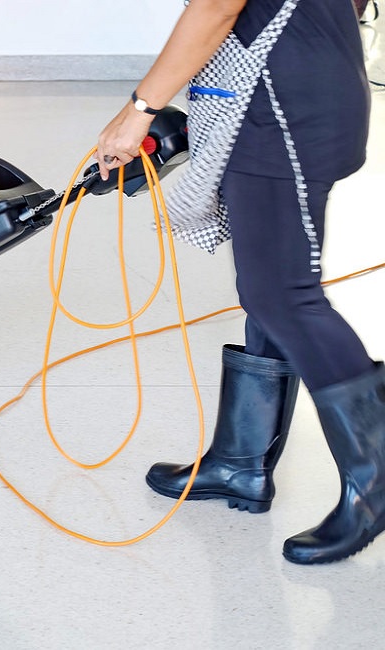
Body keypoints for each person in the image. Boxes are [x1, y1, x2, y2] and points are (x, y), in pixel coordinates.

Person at [96, 0, 380, 565]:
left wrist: (139, 110)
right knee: (266, 292)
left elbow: (218, 6)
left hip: (283, 108)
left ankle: (377, 475)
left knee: (283, 295)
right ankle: (239, 463)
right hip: (288, 90)